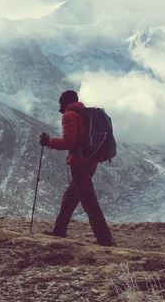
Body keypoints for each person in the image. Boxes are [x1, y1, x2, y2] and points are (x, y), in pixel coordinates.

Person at [40, 90, 115, 247]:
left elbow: (68, 142)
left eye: (60, 102)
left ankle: (105, 241)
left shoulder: (70, 116)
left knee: (89, 203)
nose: (59, 105)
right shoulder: (84, 113)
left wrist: (49, 142)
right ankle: (58, 232)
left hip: (79, 164)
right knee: (69, 199)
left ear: (65, 102)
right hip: (90, 162)